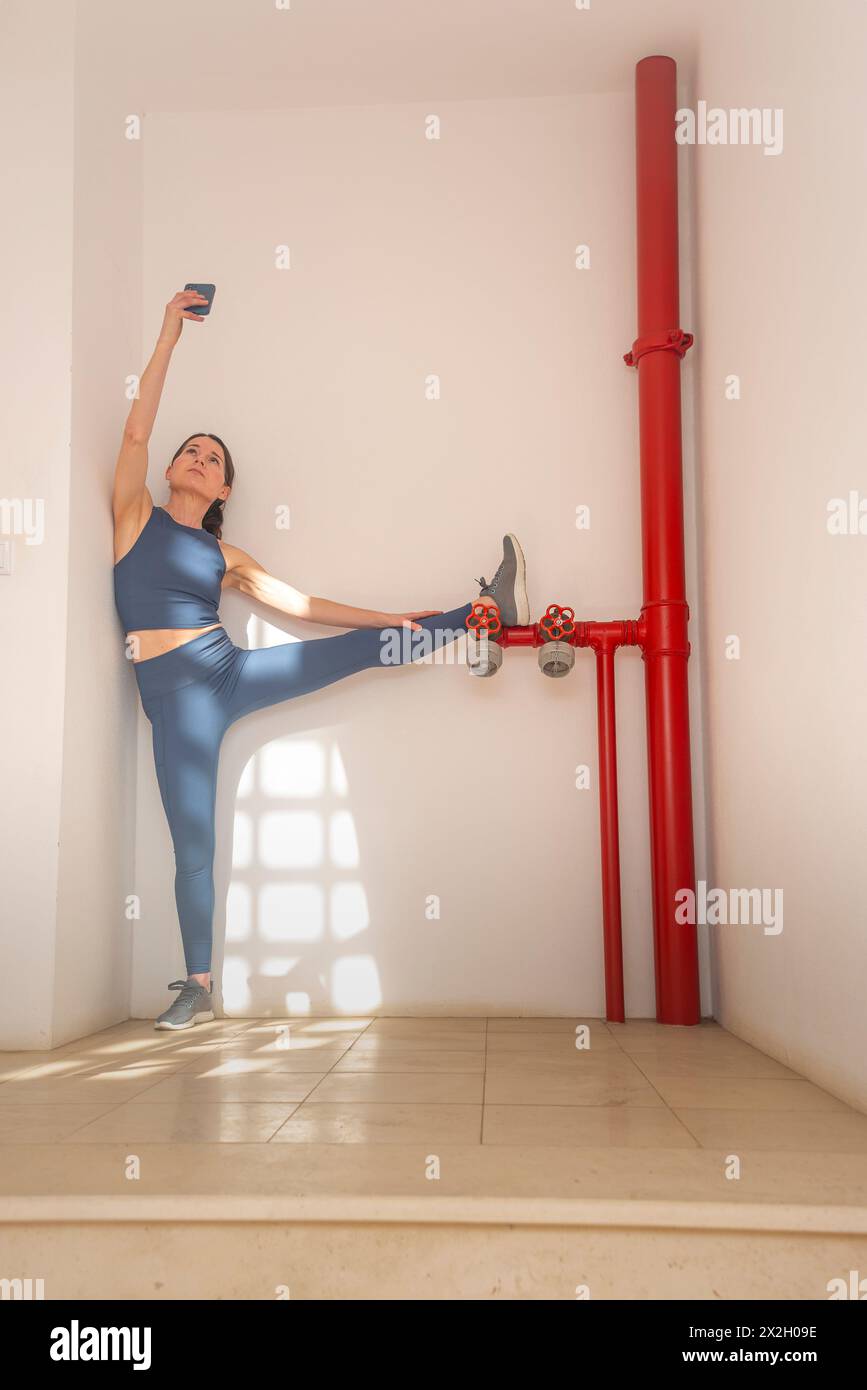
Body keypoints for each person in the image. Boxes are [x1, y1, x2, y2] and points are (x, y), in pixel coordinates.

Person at [112, 290, 530, 1029]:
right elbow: (137, 425)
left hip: (225, 672)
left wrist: (389, 619)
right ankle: (197, 983)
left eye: (213, 460)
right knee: (194, 843)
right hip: (174, 705)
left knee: (363, 649)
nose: (199, 460)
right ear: (171, 467)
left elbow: (299, 607)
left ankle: (481, 611)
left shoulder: (222, 553)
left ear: (224, 490)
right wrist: (169, 335)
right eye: (191, 451)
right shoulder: (133, 517)